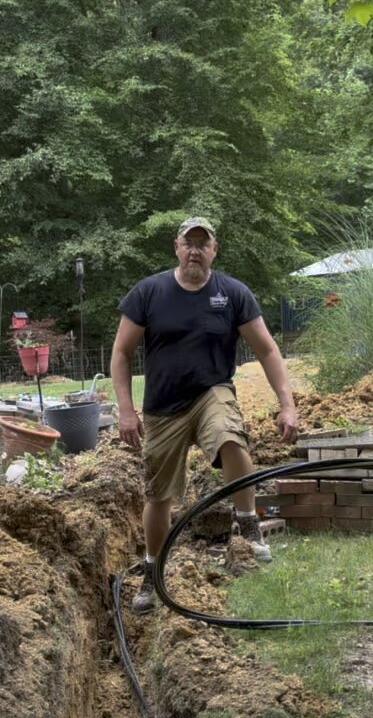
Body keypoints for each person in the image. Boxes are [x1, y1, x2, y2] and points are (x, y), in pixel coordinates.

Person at [110, 216, 299, 614]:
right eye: (188, 242)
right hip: (162, 407)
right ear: (176, 248)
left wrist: (287, 403)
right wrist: (125, 410)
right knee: (158, 496)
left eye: (203, 243)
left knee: (231, 437)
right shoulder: (149, 292)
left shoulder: (232, 293)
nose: (195, 250)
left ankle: (248, 526)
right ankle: (152, 572)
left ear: (214, 250)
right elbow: (122, 353)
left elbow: (266, 349)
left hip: (211, 391)